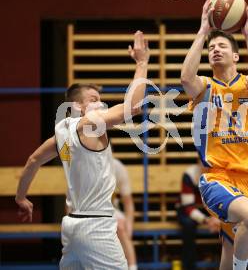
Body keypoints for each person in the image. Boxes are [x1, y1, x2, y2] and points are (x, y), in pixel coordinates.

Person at [15, 31, 149, 269]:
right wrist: (142, 63)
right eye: (94, 98)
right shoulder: (90, 122)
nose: (101, 103)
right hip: (96, 226)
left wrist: (21, 197)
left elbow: (33, 160)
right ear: (77, 105)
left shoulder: (62, 131)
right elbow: (135, 107)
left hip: (71, 226)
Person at [181, 0, 248, 270]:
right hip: (217, 177)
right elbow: (186, 78)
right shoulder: (205, 87)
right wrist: (203, 32)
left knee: (228, 254)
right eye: (211, 48)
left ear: (236, 56)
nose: (215, 50)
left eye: (221, 46)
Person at [177, 160, 221, 270]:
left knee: (229, 223)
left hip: (210, 210)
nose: (207, 165)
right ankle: (189, 266)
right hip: (188, 209)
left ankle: (224, 263)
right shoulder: (189, 174)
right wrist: (206, 220)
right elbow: (188, 207)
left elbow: (222, 202)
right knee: (188, 224)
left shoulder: (219, 175)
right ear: (198, 160)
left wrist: (218, 218)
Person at [113, 158, 137, 270]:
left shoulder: (116, 167)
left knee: (121, 227)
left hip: (110, 209)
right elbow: (70, 201)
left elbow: (128, 202)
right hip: (87, 211)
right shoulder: (82, 165)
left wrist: (129, 228)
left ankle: (132, 267)